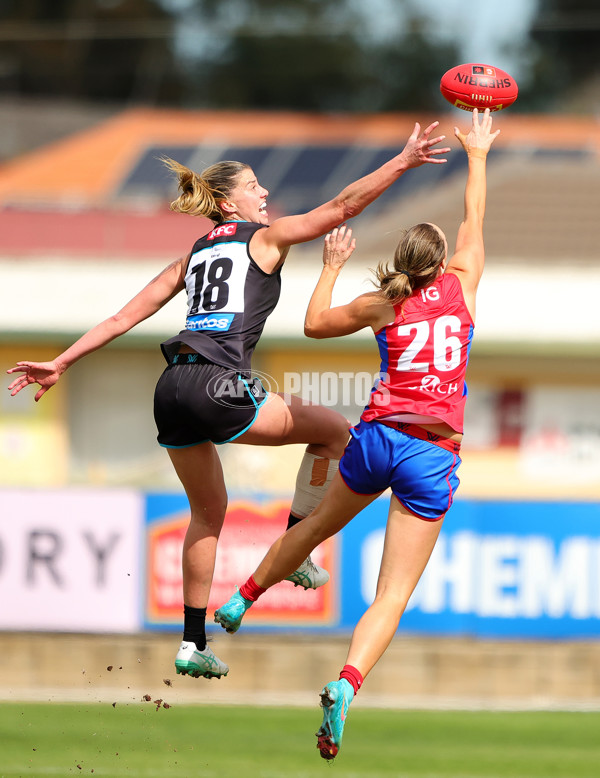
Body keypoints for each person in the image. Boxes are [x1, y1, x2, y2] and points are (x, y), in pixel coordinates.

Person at [6, 120, 449, 682]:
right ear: (227, 200)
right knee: (334, 429)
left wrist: (63, 361)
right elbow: (340, 207)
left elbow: (123, 318)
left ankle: (191, 641)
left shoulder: (191, 257)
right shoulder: (261, 239)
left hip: (171, 389)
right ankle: (295, 552)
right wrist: (403, 162)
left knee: (207, 514)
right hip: (217, 383)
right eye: (255, 186)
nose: (265, 194)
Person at [213, 108, 499, 757]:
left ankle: (239, 601)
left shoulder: (385, 303)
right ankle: (346, 683)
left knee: (312, 530)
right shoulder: (464, 285)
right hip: (431, 454)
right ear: (444, 261)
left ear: (402, 262)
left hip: (377, 440)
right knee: (391, 595)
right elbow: (474, 218)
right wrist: (477, 153)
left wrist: (333, 265)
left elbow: (313, 325)